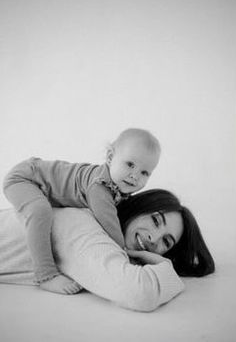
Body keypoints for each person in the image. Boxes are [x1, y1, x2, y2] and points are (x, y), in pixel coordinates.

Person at [0, 189, 215, 312]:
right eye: (155, 220)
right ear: (138, 207)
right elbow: (139, 292)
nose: (153, 238)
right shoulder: (84, 227)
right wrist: (166, 269)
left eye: (166, 243)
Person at [3, 128, 161, 294]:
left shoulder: (115, 187)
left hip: (36, 177)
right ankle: (46, 275)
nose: (135, 176)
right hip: (24, 178)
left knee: (47, 211)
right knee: (40, 211)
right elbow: (109, 223)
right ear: (110, 157)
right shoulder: (99, 186)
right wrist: (126, 254)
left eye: (144, 173)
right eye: (130, 165)